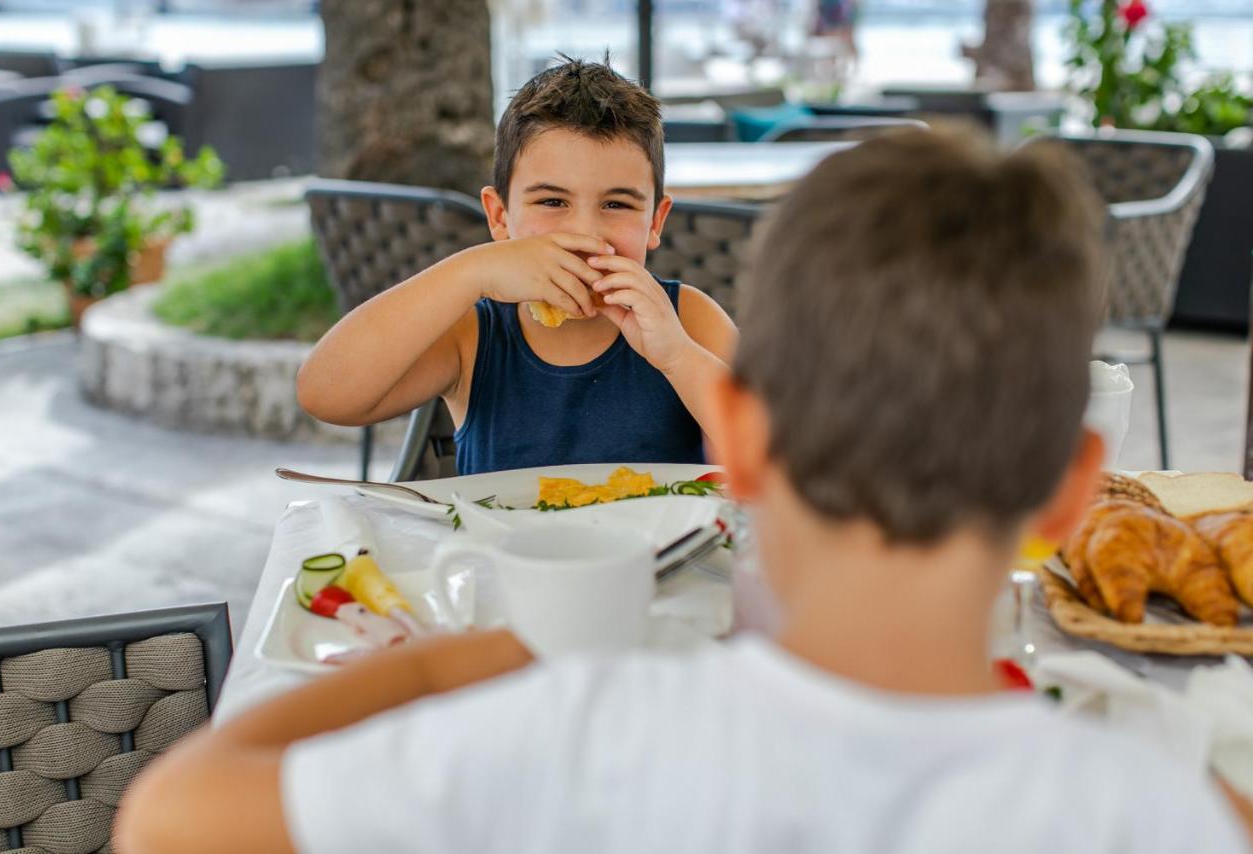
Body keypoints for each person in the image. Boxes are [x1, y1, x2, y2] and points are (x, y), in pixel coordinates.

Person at [115, 127, 1253, 853]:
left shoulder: (569, 733)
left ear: (743, 444)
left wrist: (486, 657)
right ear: (1073, 494)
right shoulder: (1154, 795)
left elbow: (168, 818)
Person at [295, 57, 736, 475]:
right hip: (503, 555)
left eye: (616, 204)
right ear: (500, 217)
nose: (584, 234)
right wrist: (475, 271)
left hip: (664, 555)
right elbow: (326, 395)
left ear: (655, 222)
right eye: (551, 201)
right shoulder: (471, 334)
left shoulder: (688, 320)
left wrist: (678, 357)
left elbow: (781, 463)